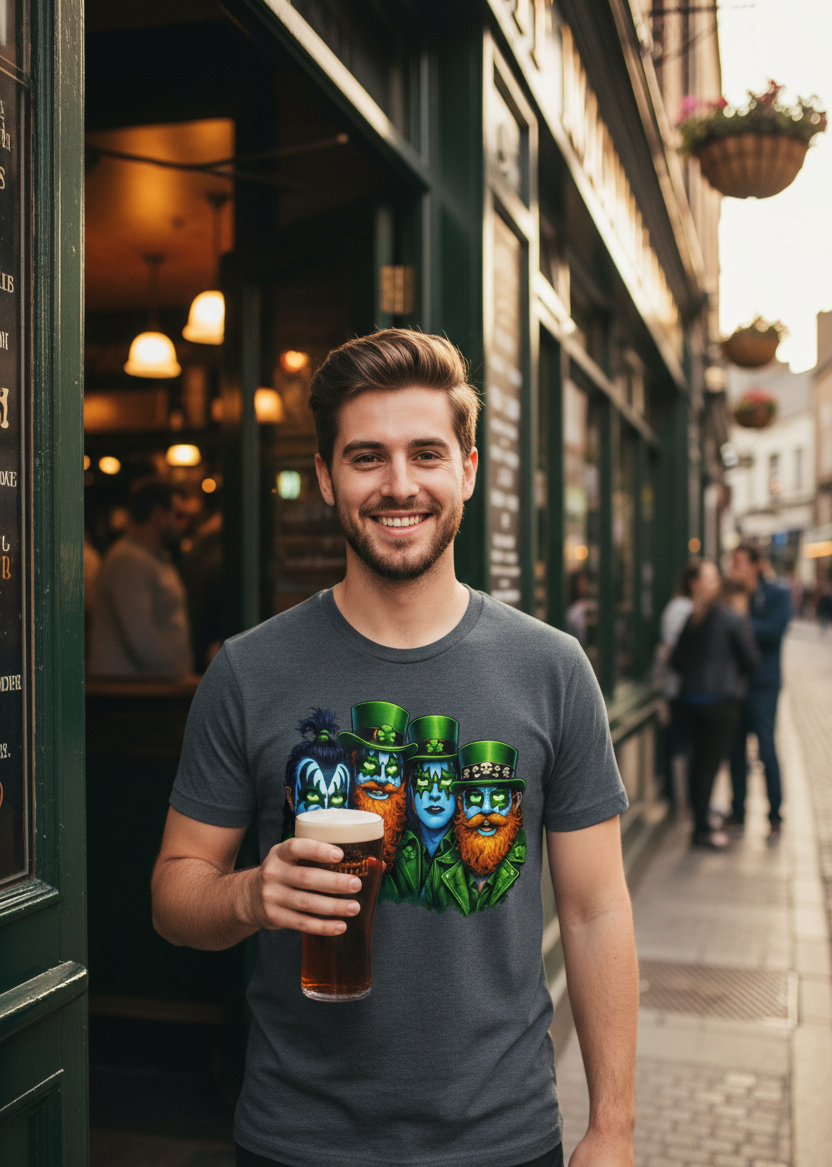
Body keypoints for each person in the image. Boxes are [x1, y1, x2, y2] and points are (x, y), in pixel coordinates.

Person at [151, 329, 637, 1167]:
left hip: (502, 1137)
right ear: (328, 477)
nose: (399, 485)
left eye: (426, 453)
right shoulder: (248, 670)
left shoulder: (552, 668)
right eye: (368, 457)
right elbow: (172, 895)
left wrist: (613, 1126)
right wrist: (250, 894)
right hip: (296, 1139)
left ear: (470, 470)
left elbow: (596, 912)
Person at [669, 560, 761, 849]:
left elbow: (676, 660)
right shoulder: (732, 618)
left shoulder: (694, 617)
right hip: (720, 702)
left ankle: (700, 823)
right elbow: (752, 661)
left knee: (698, 764)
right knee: (708, 766)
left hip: (690, 700)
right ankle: (701, 830)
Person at [89, 478, 194, 678]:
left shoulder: (155, 557)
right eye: (178, 514)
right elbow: (141, 639)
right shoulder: (127, 560)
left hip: (152, 687)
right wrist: (178, 676)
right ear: (159, 515)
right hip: (130, 694)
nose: (183, 523)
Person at [726, 544, 791, 837]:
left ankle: (775, 814)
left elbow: (772, 632)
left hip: (764, 685)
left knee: (766, 747)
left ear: (756, 565)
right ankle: (737, 811)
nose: (734, 568)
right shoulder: (731, 595)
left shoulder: (778, 593)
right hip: (735, 683)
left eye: (739, 562)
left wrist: (740, 621)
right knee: (735, 749)